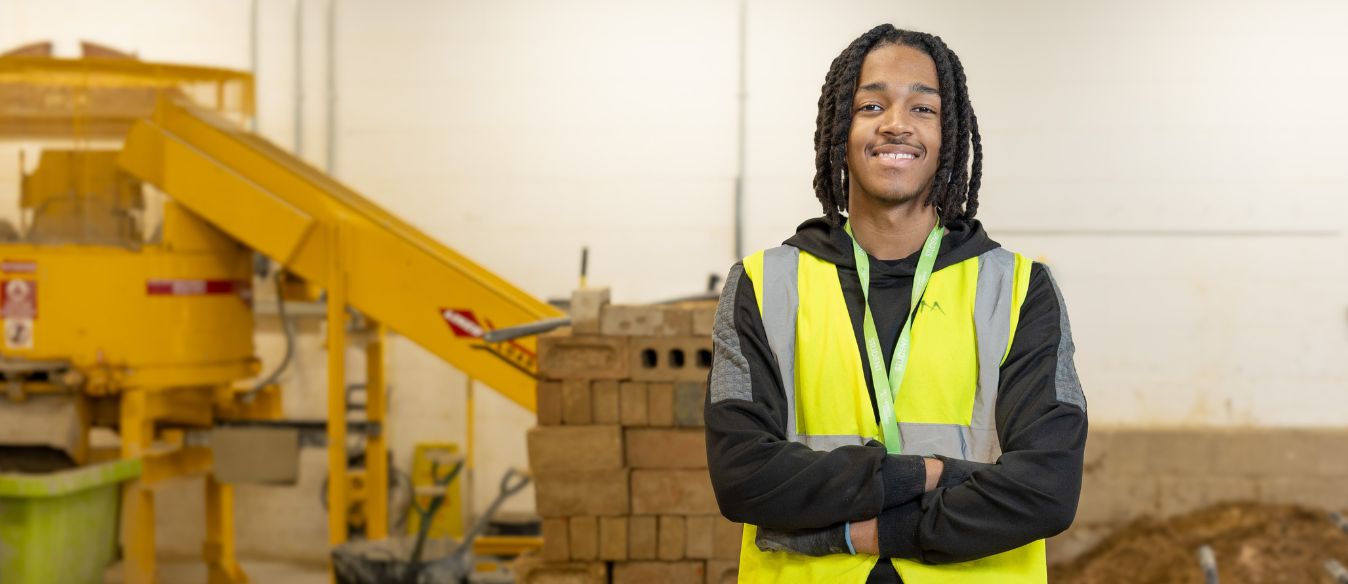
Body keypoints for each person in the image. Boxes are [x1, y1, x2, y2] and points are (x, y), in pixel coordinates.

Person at [704, 24, 1087, 583]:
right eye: (871, 104)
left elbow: (1047, 488)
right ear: (840, 127)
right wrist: (925, 476)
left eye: (923, 108)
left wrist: (872, 534)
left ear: (948, 132)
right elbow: (742, 476)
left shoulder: (1019, 288)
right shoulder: (764, 284)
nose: (896, 123)